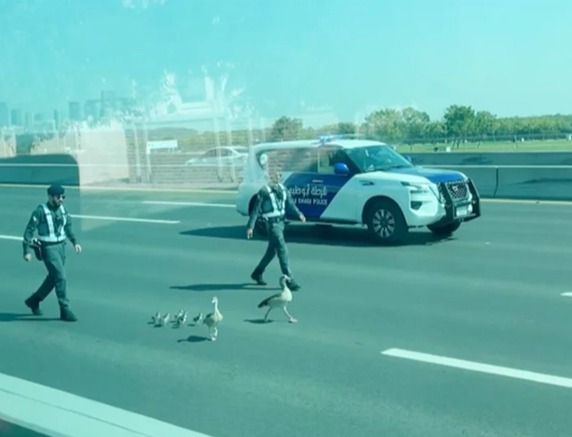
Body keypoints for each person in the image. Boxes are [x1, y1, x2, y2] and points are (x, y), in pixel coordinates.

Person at [22, 184, 82, 322]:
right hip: (48, 249)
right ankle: (64, 309)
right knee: (61, 277)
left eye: (63, 197)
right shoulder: (40, 211)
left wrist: (75, 241)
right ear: (50, 196)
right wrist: (26, 250)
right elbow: (29, 230)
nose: (61, 199)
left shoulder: (63, 210)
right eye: (58, 197)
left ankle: (34, 300)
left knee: (53, 278)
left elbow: (68, 227)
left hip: (61, 247)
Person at [246, 167, 305, 290]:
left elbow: (290, 203)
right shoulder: (264, 191)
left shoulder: (283, 189)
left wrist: (299, 214)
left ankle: (257, 272)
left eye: (279, 175)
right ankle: (289, 279)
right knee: (282, 249)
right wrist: (250, 226)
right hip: (272, 225)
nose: (277, 177)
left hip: (281, 223)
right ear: (269, 177)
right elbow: (255, 210)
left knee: (272, 251)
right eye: (274, 175)